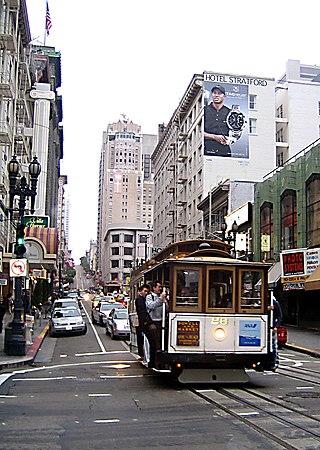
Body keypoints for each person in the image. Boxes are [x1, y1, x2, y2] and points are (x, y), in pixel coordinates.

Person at [204, 85, 243, 157]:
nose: (216, 95)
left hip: (224, 150)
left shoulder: (230, 112)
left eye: (219, 93)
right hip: (206, 150)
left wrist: (230, 140)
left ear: (224, 96)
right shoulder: (204, 111)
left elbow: (237, 132)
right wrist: (214, 137)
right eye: (214, 93)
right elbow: (198, 133)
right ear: (211, 94)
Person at [135, 283, 160, 368]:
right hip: (145, 324)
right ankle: (152, 362)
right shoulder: (140, 300)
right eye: (145, 291)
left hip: (145, 323)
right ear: (140, 291)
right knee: (153, 342)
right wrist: (149, 322)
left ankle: (151, 361)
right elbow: (142, 312)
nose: (146, 293)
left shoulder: (142, 299)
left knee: (152, 342)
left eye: (147, 291)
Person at [146, 280, 168, 349]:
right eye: (159, 287)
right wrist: (160, 299)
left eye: (161, 287)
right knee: (155, 340)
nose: (160, 288)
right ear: (154, 288)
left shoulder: (162, 297)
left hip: (161, 321)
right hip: (153, 321)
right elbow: (151, 306)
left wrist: (165, 301)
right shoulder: (149, 297)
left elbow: (167, 309)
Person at [268, 291, 283, 370]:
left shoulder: (275, 303)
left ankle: (275, 363)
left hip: (272, 327)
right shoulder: (262, 302)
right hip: (265, 327)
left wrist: (276, 326)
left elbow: (280, 316)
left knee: (274, 346)